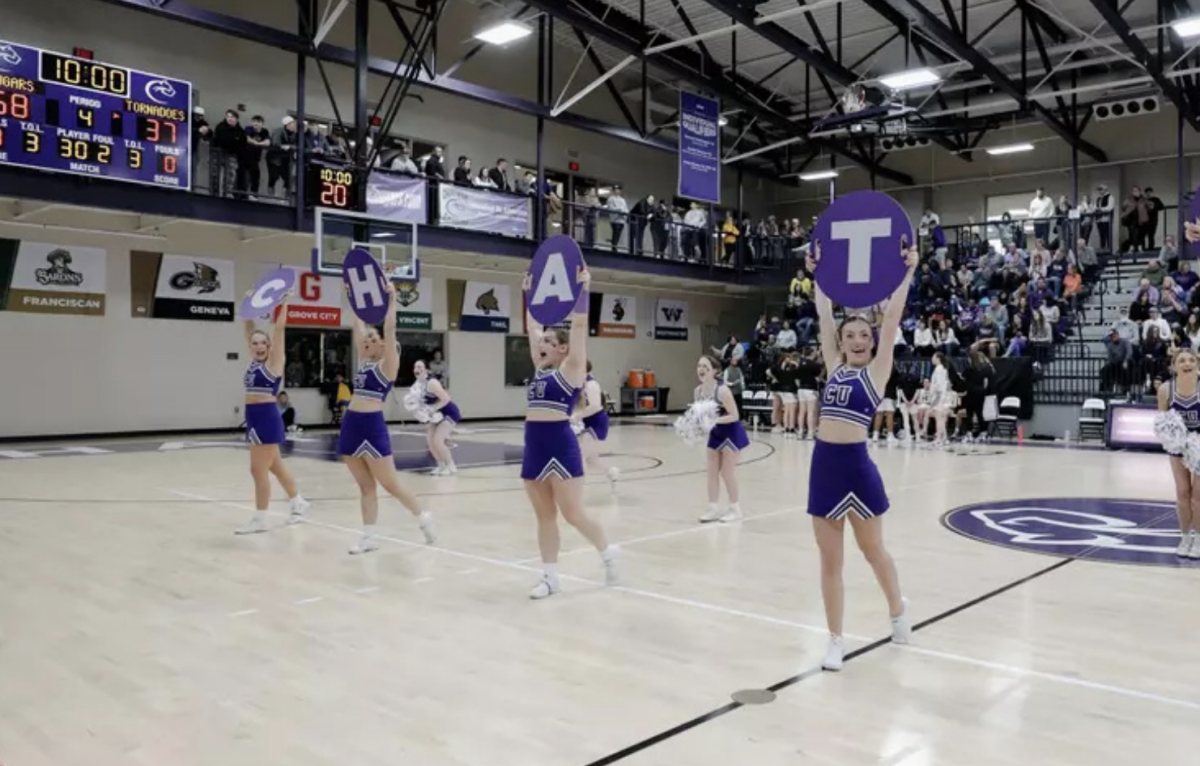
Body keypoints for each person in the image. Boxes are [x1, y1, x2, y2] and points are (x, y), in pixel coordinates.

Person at [808, 240, 916, 671]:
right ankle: (835, 640)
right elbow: (822, 313)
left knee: (874, 551)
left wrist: (908, 271)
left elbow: (891, 317)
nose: (856, 339)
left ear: (872, 342)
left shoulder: (877, 372)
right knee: (829, 561)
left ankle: (898, 609)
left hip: (856, 466)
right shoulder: (834, 365)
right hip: (823, 467)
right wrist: (817, 272)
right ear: (841, 341)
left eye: (863, 335)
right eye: (849, 334)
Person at [521, 268, 619, 599]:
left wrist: (583, 290)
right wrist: (528, 296)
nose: (542, 342)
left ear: (563, 350)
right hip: (533, 446)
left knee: (573, 513)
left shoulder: (572, 371)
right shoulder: (539, 369)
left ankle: (607, 552)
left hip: (561, 445)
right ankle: (550, 578)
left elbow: (578, 326)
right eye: (542, 341)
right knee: (544, 516)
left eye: (549, 341)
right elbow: (531, 327)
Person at [339, 284, 436, 554]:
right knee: (365, 486)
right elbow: (357, 325)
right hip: (351, 425)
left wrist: (392, 299)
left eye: (373, 340)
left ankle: (422, 516)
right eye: (365, 341)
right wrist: (353, 298)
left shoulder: (387, 365)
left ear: (383, 345)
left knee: (389, 483)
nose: (367, 342)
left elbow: (390, 329)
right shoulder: (363, 363)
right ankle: (369, 536)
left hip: (371, 426)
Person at [236, 292, 309, 534]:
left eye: (262, 343)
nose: (258, 346)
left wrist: (284, 304)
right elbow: (248, 327)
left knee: (257, 470)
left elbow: (279, 330)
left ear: (269, 347)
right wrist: (248, 304)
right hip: (254, 417)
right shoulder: (253, 362)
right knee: (275, 467)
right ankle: (298, 502)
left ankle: (261, 519)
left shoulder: (274, 363)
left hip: (267, 417)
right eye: (254, 343)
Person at [695, 354, 749, 523]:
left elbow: (735, 415)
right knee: (711, 472)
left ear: (715, 371)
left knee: (727, 472)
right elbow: (701, 415)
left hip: (730, 431)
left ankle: (735, 509)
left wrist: (714, 421)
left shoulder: (723, 390)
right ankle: (713, 508)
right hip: (715, 432)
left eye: (705, 367)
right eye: (699, 366)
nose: (701, 369)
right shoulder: (697, 391)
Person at [1159, 349, 1200, 558]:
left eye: (1191, 360)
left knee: (1197, 497)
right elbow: (1162, 422)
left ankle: (1199, 540)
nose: (1187, 363)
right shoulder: (1166, 390)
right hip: (1178, 448)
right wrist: (1174, 441)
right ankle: (1185, 537)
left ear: (1197, 365)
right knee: (1183, 494)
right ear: (1174, 366)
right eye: (1181, 360)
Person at [572, 361, 620, 485]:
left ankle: (578, 485)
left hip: (597, 423)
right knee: (592, 461)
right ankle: (611, 472)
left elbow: (595, 406)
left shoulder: (591, 384)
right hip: (588, 423)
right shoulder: (580, 383)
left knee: (579, 454)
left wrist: (577, 416)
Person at [414, 359, 461, 476]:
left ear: (426, 370)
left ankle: (451, 466)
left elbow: (446, 399)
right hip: (435, 415)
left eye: (420, 367)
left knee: (437, 440)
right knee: (430, 441)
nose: (417, 369)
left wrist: (432, 409)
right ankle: (441, 466)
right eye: (416, 367)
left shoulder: (432, 383)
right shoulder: (417, 385)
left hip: (448, 412)